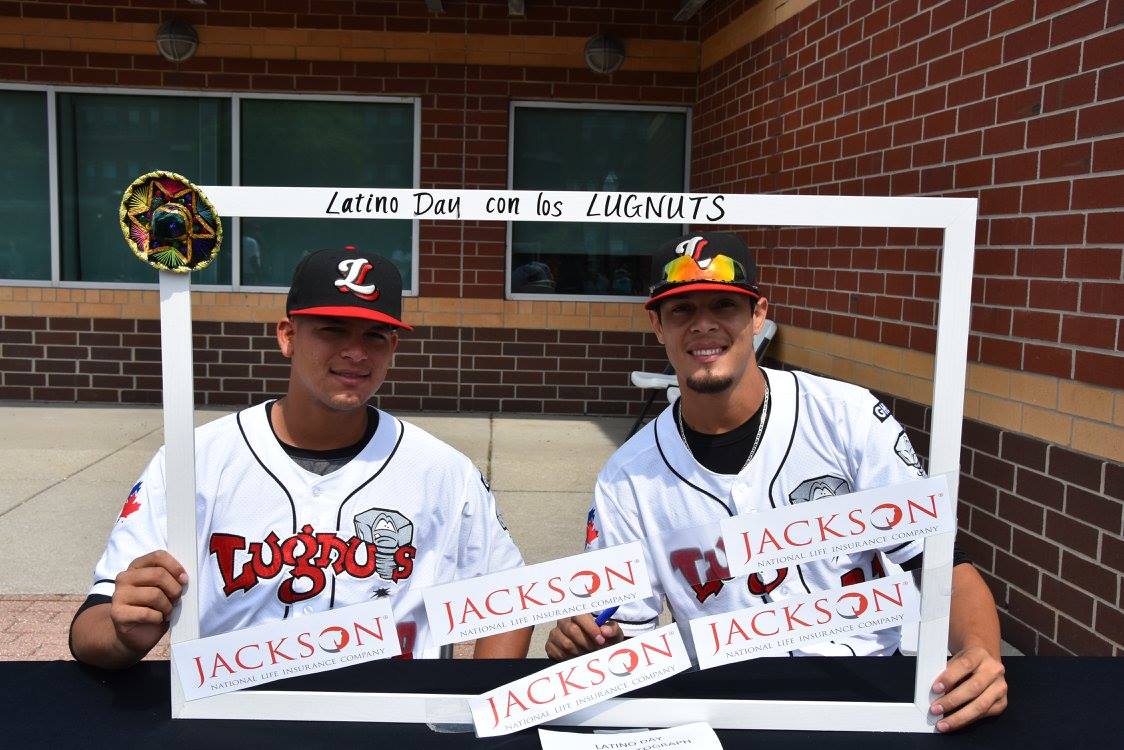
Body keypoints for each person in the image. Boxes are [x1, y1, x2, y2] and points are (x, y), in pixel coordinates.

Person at [546, 232, 1006, 733]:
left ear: (758, 315)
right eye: (681, 311)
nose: (704, 325)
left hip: (867, 686)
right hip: (721, 702)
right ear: (657, 324)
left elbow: (941, 565)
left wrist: (979, 649)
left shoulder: (848, 418)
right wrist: (586, 638)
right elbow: (622, 627)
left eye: (725, 305)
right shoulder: (626, 477)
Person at [70, 246, 532, 667]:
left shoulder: (443, 471)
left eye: (375, 336)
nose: (355, 352)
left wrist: (477, 711)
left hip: (393, 718)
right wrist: (123, 632)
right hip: (234, 720)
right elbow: (90, 629)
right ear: (288, 336)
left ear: (393, 347)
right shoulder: (196, 460)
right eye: (332, 330)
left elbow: (510, 599)